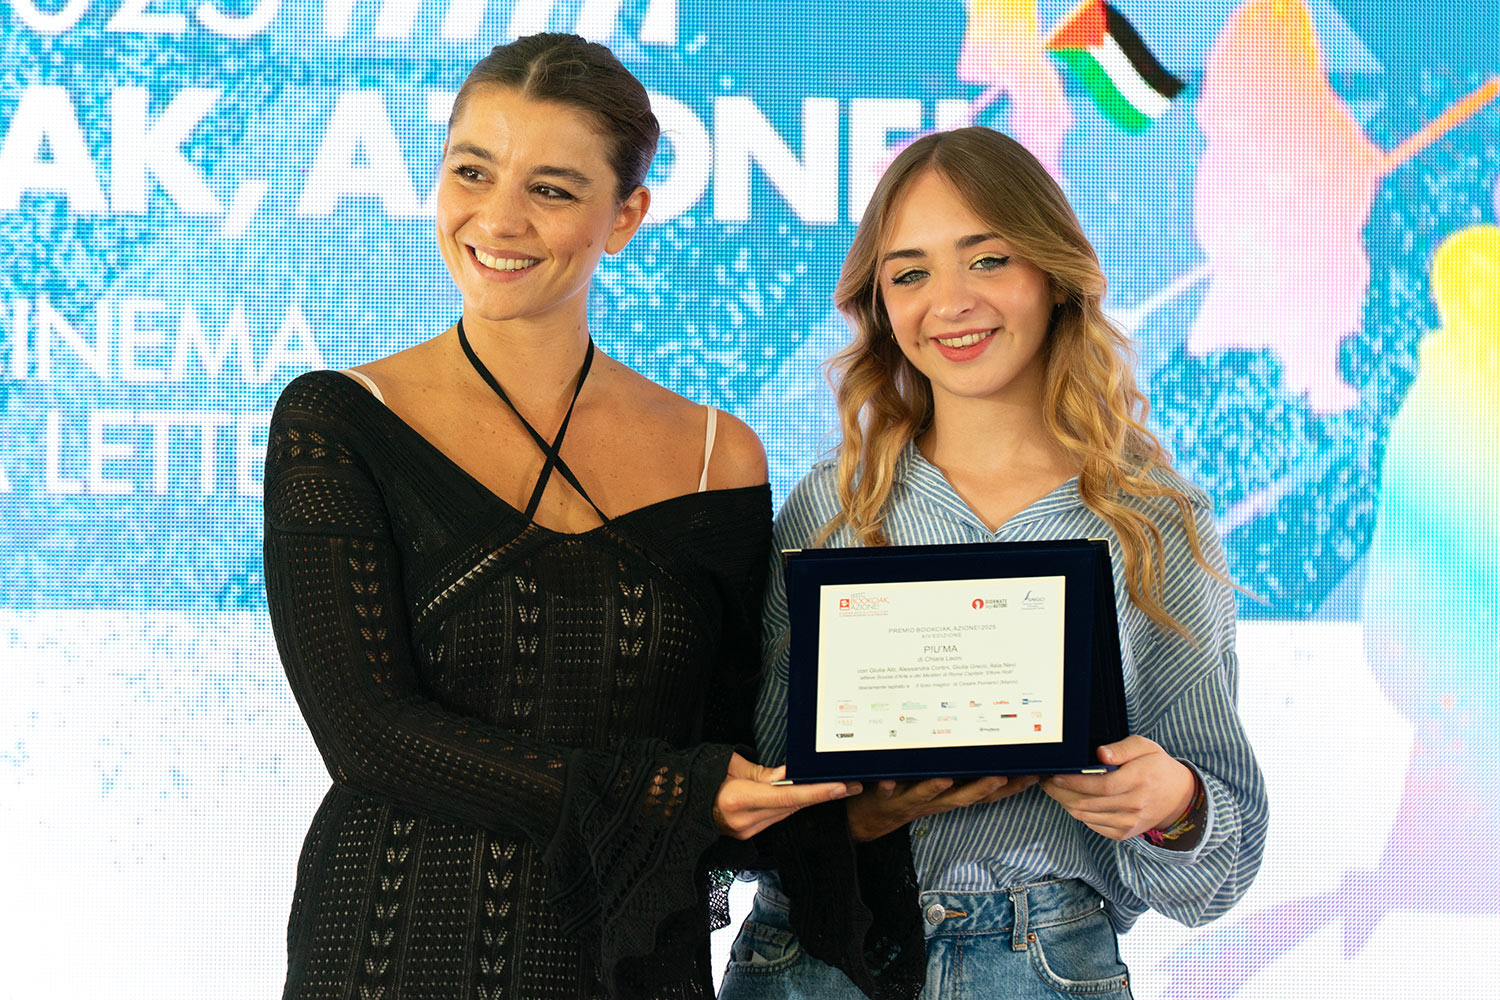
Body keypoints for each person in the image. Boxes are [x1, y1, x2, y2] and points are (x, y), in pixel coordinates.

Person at [263, 33, 856, 1000]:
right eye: (472, 171)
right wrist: (667, 792)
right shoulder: (339, 419)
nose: (498, 218)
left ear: (625, 217)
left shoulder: (720, 455)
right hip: (392, 953)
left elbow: (733, 745)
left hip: (632, 965)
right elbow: (369, 735)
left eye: (551, 188)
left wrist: (921, 769)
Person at [719, 127, 1269, 999]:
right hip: (817, 956)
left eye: (987, 260)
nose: (950, 302)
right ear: (879, 306)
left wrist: (1173, 805)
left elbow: (1220, 873)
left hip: (1045, 959)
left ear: (1052, 274)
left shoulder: (1153, 522)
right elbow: (741, 811)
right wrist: (855, 820)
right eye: (909, 274)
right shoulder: (828, 511)